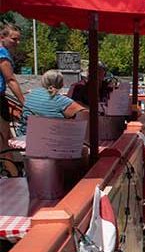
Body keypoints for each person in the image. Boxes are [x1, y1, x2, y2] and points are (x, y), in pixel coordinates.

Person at [18, 70, 88, 136]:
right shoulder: (61, 101)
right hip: (51, 142)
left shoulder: (31, 94)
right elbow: (85, 114)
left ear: (43, 82)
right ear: (62, 84)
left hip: (25, 136)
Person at [0, 24, 25, 176]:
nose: (17, 42)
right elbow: (10, 80)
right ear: (3, 38)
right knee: (3, 141)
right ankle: (14, 176)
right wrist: (24, 102)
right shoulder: (2, 54)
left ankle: (14, 169)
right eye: (14, 39)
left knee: (6, 136)